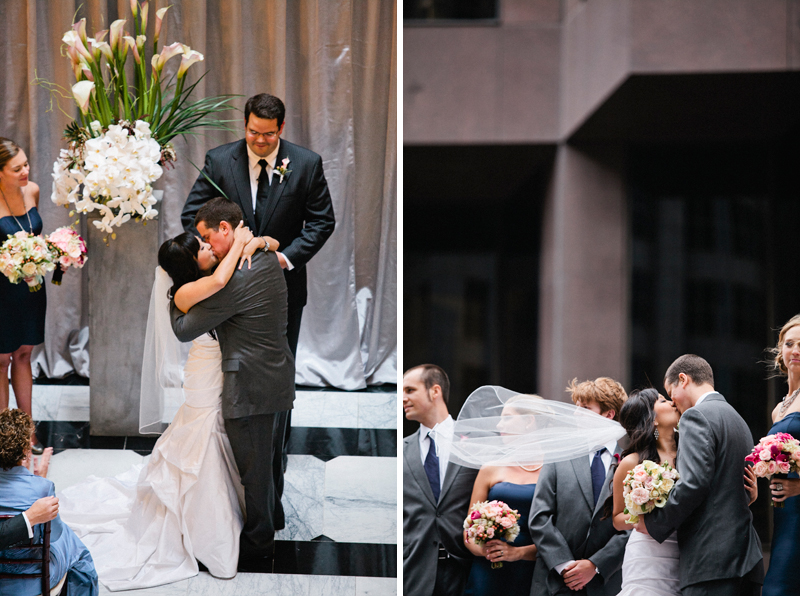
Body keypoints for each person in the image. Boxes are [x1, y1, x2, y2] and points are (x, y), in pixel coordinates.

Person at [58, 221, 276, 589]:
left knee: (212, 433)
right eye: (202, 248)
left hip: (215, 374)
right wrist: (239, 243)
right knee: (203, 437)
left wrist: (258, 240)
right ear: (192, 262)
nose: (209, 248)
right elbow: (221, 282)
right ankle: (206, 529)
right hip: (205, 379)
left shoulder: (202, 279)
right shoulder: (186, 292)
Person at [181, 93, 335, 470]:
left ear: (281, 128)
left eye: (268, 134)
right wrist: (221, 257)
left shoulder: (306, 163)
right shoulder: (220, 160)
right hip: (229, 290)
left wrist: (285, 258)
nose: (260, 140)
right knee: (232, 369)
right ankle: (232, 453)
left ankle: (274, 454)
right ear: (245, 125)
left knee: (278, 374)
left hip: (283, 291)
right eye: (253, 132)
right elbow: (192, 218)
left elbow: (321, 221)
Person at [171, 197, 295, 565]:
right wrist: (260, 241)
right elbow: (271, 243)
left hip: (247, 385)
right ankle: (275, 518)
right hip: (278, 373)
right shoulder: (266, 258)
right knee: (271, 457)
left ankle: (260, 544)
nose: (205, 246)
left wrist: (174, 294)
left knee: (253, 469)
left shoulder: (231, 280)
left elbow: (183, 329)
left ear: (226, 229)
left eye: (208, 238)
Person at [639, 354, 763, 596]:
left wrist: (654, 522)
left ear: (683, 379)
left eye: (670, 390)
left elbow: (694, 483)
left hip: (712, 560)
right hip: (747, 558)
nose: (673, 401)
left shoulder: (696, 416)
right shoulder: (738, 419)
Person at [529, 377, 629, 596]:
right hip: (554, 584)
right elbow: (539, 518)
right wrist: (565, 566)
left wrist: (595, 565)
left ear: (608, 415)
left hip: (607, 584)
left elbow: (632, 527)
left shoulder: (631, 462)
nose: (575, 414)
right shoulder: (557, 455)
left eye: (584, 408)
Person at [0, 408, 98, 595]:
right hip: (30, 582)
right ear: (25, 450)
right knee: (76, 548)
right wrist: (40, 482)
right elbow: (53, 536)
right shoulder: (41, 488)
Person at [402, 364, 478, 596]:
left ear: (435, 391)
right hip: (414, 574)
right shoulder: (402, 450)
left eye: (409, 390)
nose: (402, 398)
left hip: (466, 572)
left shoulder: (475, 443)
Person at [462, 394, 540, 596]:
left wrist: (518, 553)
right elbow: (468, 530)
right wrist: (487, 551)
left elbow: (562, 535)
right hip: (487, 574)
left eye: (507, 417)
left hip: (533, 572)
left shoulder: (553, 472)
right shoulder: (490, 468)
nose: (499, 424)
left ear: (529, 422)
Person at [610, 388, 681, 596]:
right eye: (662, 400)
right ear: (653, 420)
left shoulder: (690, 453)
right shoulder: (632, 462)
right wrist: (644, 513)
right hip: (648, 556)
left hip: (685, 549)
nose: (671, 402)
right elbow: (616, 518)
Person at [0, 138, 46, 454]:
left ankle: (27, 431)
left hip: (30, 287)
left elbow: (35, 237)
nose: (25, 171)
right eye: (17, 168)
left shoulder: (32, 191)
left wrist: (47, 257)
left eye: (26, 164)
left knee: (24, 354)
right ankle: (4, 437)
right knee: (1, 359)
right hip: (1, 290)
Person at [761, 314, 800, 595]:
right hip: (785, 516)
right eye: (789, 343)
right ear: (780, 350)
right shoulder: (779, 408)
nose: (795, 350)